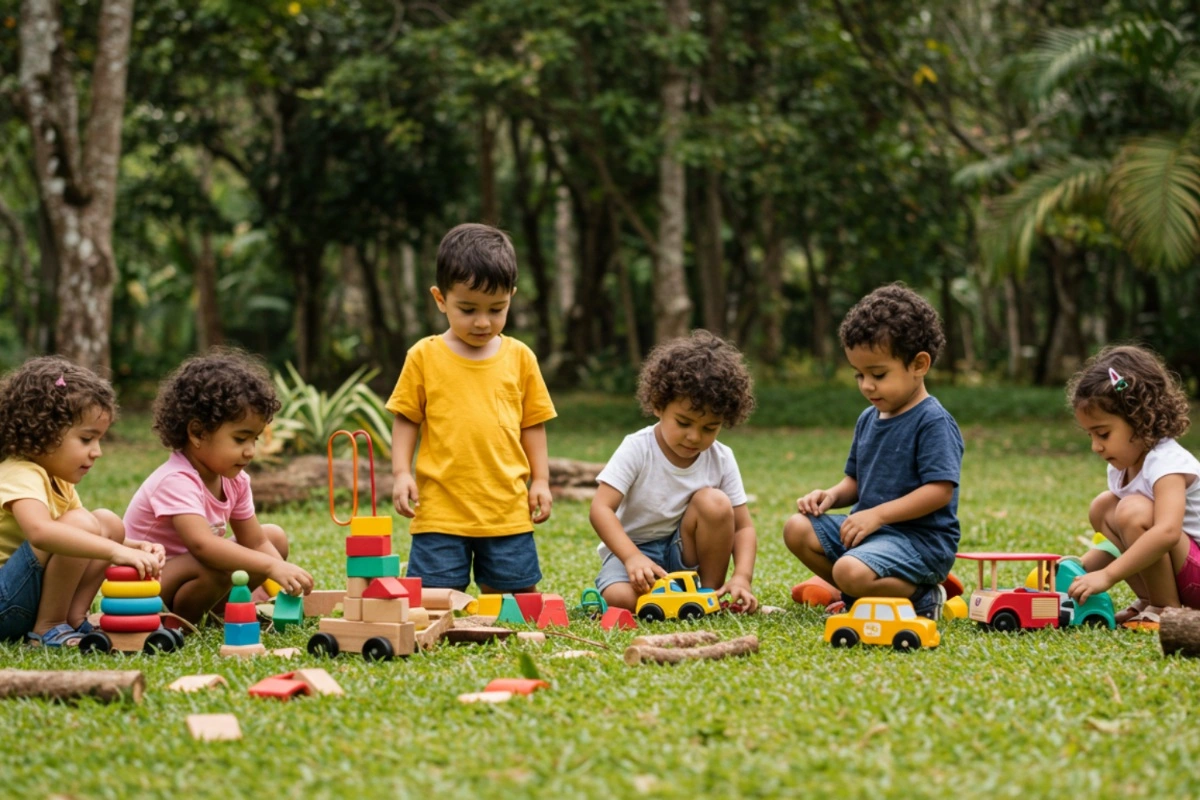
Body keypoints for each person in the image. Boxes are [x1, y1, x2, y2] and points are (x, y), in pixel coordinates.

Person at [388, 223, 556, 593]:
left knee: (516, 602)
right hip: (440, 512)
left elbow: (533, 424)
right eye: (468, 309)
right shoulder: (424, 356)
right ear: (440, 299)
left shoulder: (520, 358)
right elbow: (406, 419)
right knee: (432, 600)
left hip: (506, 511)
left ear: (511, 296)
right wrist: (401, 473)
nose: (483, 322)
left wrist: (540, 480)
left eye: (497, 309)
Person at [783, 283, 963, 620]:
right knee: (796, 528)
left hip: (919, 542)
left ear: (919, 364)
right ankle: (860, 596)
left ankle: (923, 595)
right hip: (868, 534)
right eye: (859, 375)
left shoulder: (932, 421)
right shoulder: (869, 417)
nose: (867, 385)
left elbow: (939, 491)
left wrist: (878, 515)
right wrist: (830, 496)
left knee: (849, 571)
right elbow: (855, 480)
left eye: (878, 374)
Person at [124, 350, 312, 624]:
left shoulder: (235, 480)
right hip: (143, 585)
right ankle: (177, 623)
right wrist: (271, 566)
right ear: (198, 433)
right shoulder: (176, 479)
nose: (250, 451)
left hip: (190, 575)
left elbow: (256, 541)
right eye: (240, 439)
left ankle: (216, 612)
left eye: (255, 439)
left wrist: (283, 571)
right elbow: (203, 546)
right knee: (217, 564)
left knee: (274, 538)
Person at [590, 330, 759, 612]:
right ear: (658, 405)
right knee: (618, 599)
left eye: (709, 428)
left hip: (685, 550)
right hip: (634, 549)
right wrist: (632, 558)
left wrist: (742, 577)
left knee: (715, 502)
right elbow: (600, 509)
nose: (694, 437)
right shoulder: (637, 448)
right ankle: (670, 596)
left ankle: (708, 594)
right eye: (683, 423)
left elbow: (743, 527)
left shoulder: (721, 457)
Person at [0, 357, 163, 647]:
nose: (97, 452)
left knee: (108, 522)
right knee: (84, 524)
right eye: (87, 439)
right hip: (5, 603)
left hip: (25, 596)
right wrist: (115, 552)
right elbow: (40, 532)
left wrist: (134, 547)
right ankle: (47, 628)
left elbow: (89, 535)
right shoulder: (18, 472)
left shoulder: (58, 479)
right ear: (42, 431)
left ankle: (73, 618)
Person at [1067, 344, 1200, 631]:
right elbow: (1124, 541)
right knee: (1103, 506)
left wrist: (1108, 576)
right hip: (1183, 570)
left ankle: (1165, 608)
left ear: (1141, 419)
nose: (1095, 446)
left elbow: (1166, 533)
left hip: (1196, 576)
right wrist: (1081, 567)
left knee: (1131, 509)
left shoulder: (1167, 463)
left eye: (1103, 433)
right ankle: (1149, 601)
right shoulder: (1122, 468)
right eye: (1090, 435)